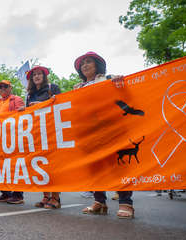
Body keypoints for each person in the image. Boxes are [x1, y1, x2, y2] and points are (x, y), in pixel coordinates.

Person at [72, 51, 133, 219]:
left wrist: (120, 83)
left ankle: (126, 203)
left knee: (118, 165)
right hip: (89, 133)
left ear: (97, 64)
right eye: (82, 63)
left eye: (88, 61)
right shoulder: (78, 87)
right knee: (96, 168)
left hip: (111, 129)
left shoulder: (109, 79)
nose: (84, 65)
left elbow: (125, 95)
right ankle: (99, 202)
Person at [25, 66, 62, 209]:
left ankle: (56, 198)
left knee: (53, 165)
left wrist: (41, 105)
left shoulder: (53, 87)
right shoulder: (29, 94)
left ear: (44, 76)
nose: (37, 76)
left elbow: (60, 103)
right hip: (37, 132)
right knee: (41, 165)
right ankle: (46, 197)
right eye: (34, 75)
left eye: (39, 74)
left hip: (52, 131)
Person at [0, 80, 25, 204]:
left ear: (10, 88)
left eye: (5, 86)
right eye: (0, 87)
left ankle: (18, 195)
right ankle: (5, 193)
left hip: (11, 137)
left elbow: (21, 116)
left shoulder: (16, 99)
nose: (2, 88)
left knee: (14, 166)